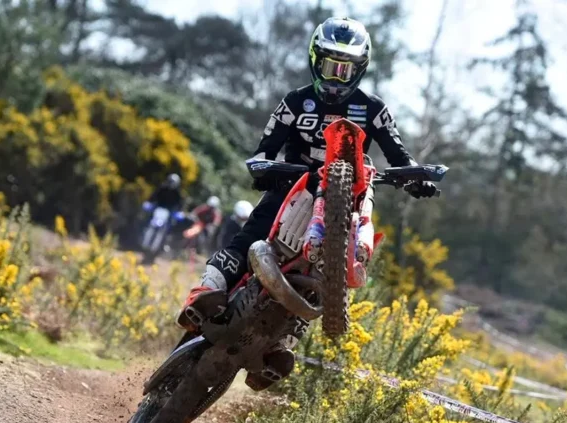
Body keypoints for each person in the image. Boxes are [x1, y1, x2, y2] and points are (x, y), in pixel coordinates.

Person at [176, 17, 437, 331]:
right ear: (316, 61)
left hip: (345, 198)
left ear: (361, 68)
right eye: (331, 67)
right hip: (291, 185)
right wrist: (262, 170)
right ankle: (206, 290)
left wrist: (415, 179)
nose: (337, 79)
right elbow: (265, 149)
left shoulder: (373, 109)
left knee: (334, 264)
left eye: (347, 70)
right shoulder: (295, 101)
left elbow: (400, 155)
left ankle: (289, 335)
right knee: (249, 234)